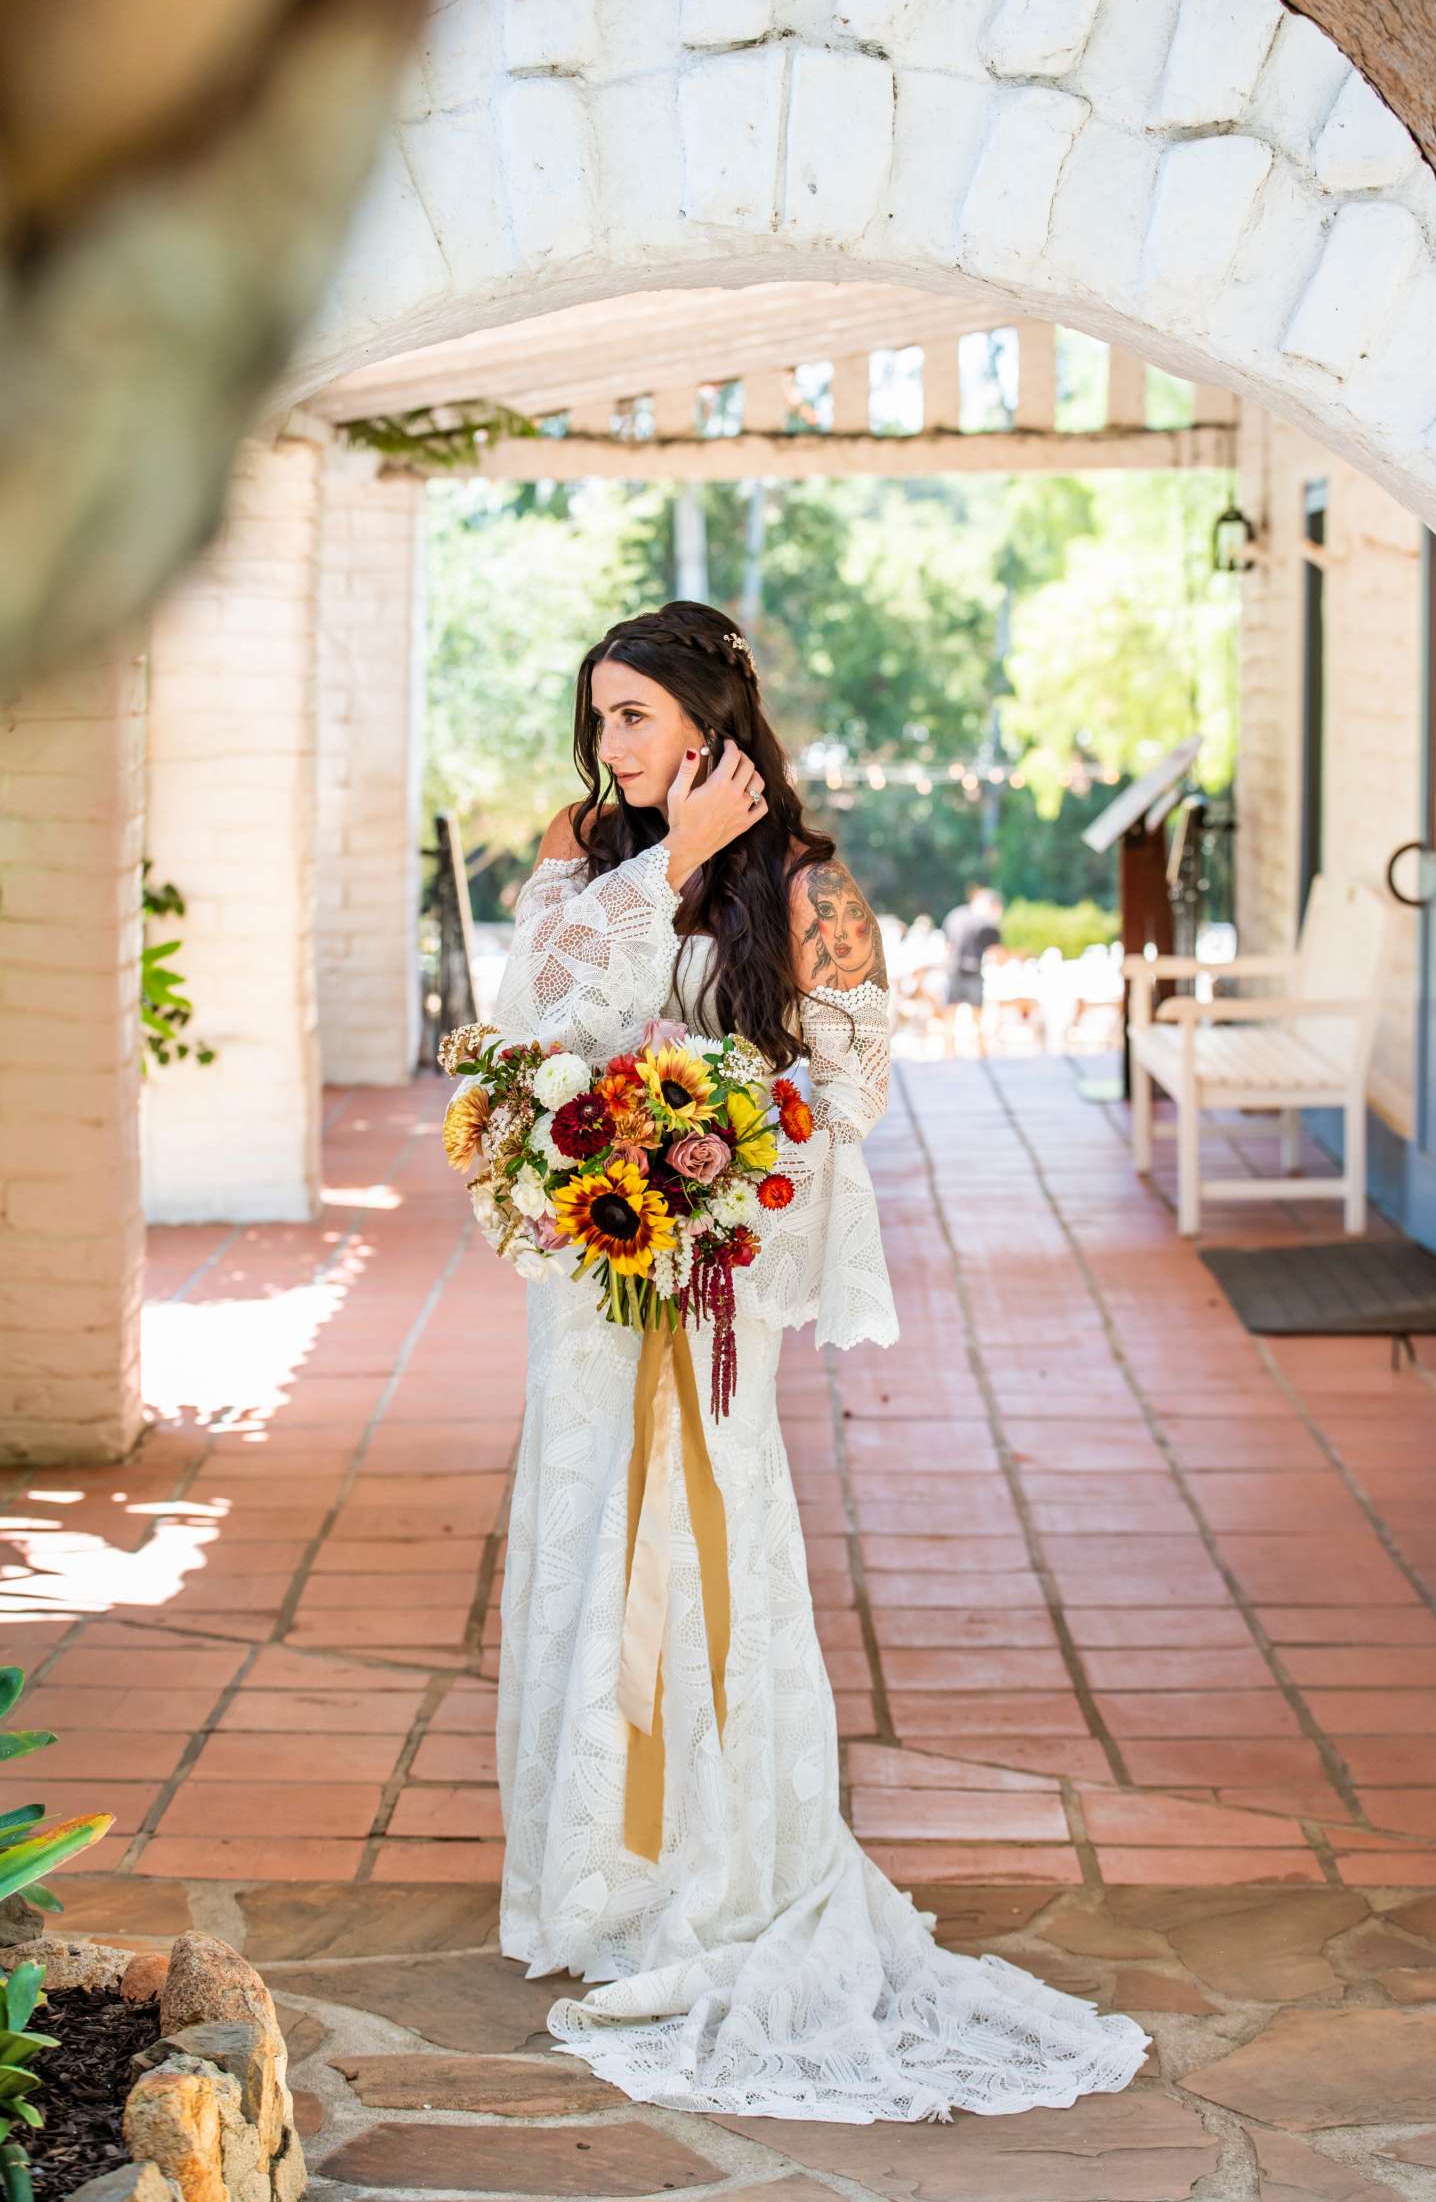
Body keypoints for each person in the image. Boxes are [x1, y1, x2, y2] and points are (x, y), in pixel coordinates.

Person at [489, 600, 1147, 2120]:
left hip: (711, 1275)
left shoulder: (807, 883)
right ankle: (587, 1882)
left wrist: (711, 1146)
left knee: (703, 1542)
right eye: (598, 718)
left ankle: (716, 1870)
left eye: (635, 718)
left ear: (713, 721)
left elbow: (849, 1092)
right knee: (586, 1530)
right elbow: (532, 1018)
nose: (610, 746)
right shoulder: (586, 851)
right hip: (587, 1282)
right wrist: (662, 870)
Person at [941, 883, 1003, 1056]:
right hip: (974, 968)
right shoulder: (986, 922)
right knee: (977, 1015)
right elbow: (995, 951)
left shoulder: (955, 915)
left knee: (950, 1013)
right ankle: (981, 1051)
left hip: (953, 968)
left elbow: (947, 944)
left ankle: (949, 1051)